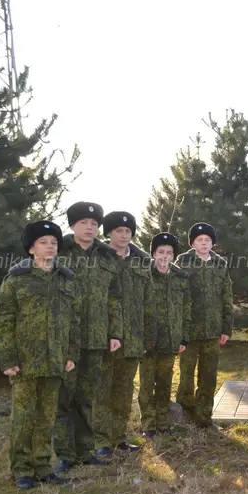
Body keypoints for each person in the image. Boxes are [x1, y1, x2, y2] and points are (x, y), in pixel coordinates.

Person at [0, 221, 79, 488]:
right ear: (31, 248)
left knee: (46, 416)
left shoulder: (66, 279)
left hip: (55, 361)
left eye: (53, 242)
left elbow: (74, 320)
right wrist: (7, 359)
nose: (50, 245)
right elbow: (1, 319)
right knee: (24, 417)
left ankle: (42, 465)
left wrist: (71, 353)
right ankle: (22, 469)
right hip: (26, 362)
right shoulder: (17, 279)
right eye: (43, 242)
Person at [54, 202, 122, 472]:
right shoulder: (58, 251)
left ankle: (85, 449)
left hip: (95, 338)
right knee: (63, 396)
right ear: (72, 225)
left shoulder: (107, 256)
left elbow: (115, 298)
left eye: (94, 224)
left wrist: (115, 332)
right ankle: (63, 453)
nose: (90, 227)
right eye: (84, 223)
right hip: (64, 338)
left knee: (85, 396)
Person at [93, 211, 155, 456]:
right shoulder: (98, 259)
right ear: (108, 233)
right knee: (102, 390)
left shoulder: (141, 262)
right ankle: (100, 441)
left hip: (133, 339)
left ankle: (118, 437)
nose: (124, 235)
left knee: (123, 391)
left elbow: (149, 302)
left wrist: (148, 335)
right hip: (104, 335)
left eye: (128, 231)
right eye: (118, 230)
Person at [175, 222, 234, 429]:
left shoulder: (220, 264)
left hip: (213, 330)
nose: (203, 243)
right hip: (189, 330)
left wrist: (226, 328)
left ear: (212, 243)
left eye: (207, 240)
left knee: (208, 376)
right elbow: (176, 296)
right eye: (199, 240)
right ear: (192, 242)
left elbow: (227, 296)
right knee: (186, 375)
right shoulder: (182, 261)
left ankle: (204, 417)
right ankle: (184, 415)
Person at [139, 232, 192, 437]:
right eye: (160, 252)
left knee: (164, 383)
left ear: (173, 255)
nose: (164, 256)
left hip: (171, 340)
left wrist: (183, 337)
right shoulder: (144, 276)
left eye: (169, 252)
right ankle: (148, 425)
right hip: (148, 341)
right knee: (146, 384)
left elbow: (186, 310)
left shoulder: (180, 278)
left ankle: (162, 422)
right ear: (153, 253)